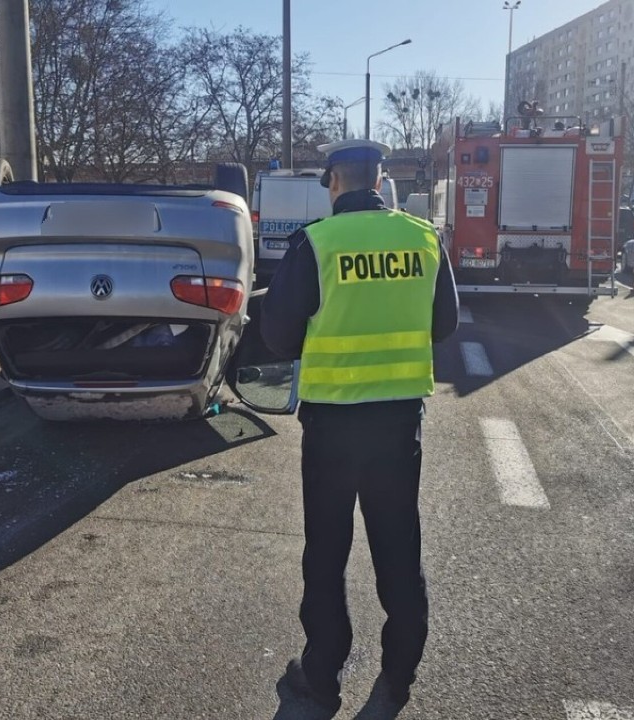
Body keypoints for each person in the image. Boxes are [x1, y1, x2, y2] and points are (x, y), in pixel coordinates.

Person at [261, 138, 459, 714]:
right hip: (399, 425)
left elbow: (277, 337)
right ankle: (398, 675)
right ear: (381, 180)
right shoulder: (423, 239)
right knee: (398, 546)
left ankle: (321, 676)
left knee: (326, 552)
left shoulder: (317, 244)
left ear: (334, 182)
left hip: (332, 426)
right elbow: (442, 325)